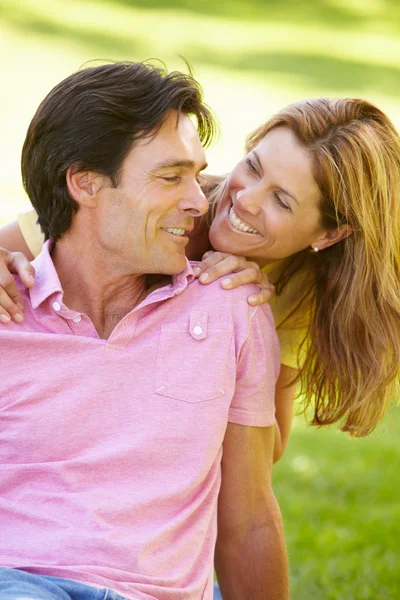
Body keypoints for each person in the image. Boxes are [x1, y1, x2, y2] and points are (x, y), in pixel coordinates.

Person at [0, 62, 289, 600]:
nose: (201, 202)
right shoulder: (7, 313)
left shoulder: (233, 308)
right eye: (170, 176)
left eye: (197, 175)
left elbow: (249, 519)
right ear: (85, 182)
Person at [2, 96, 400, 461]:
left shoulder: (293, 290)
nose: (246, 199)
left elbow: (268, 446)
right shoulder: (143, 210)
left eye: (281, 200)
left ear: (329, 234)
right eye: (253, 167)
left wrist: (233, 331)